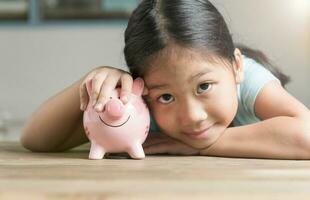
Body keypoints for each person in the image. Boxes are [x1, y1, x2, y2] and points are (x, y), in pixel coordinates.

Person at [20, 0, 310, 159]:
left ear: (235, 65)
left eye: (204, 87)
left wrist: (204, 146)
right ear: (142, 89)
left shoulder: (247, 77)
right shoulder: (140, 103)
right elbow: (34, 139)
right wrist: (91, 81)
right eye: (166, 97)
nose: (192, 116)